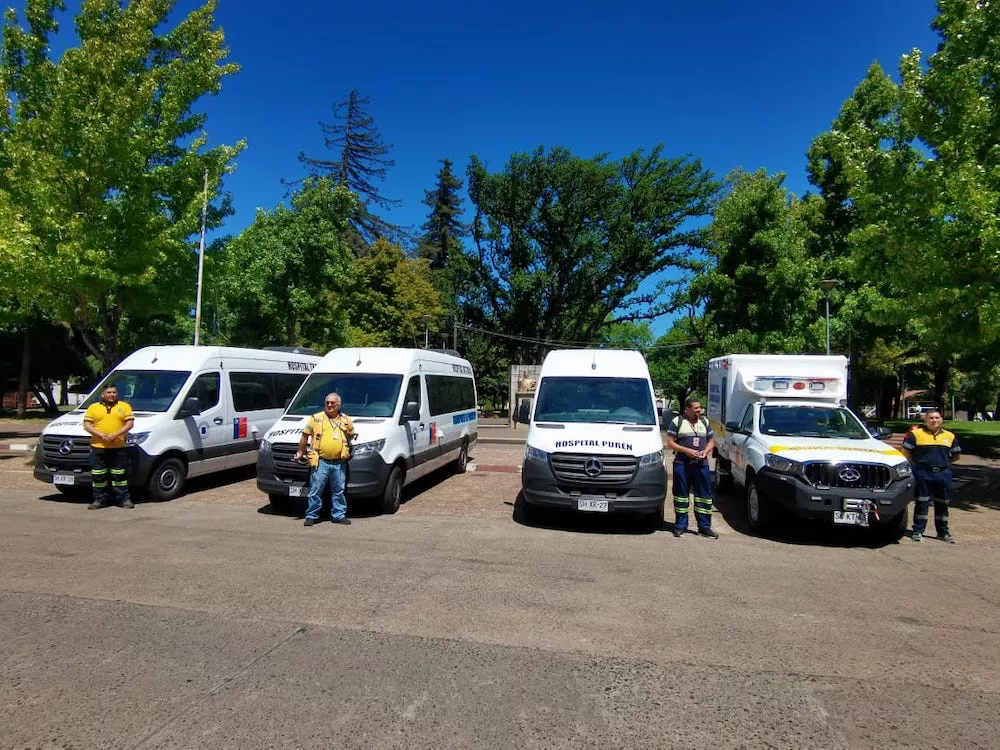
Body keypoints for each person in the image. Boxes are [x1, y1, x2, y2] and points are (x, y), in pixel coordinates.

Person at [294, 392, 356, 527]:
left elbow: (351, 436)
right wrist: (301, 452)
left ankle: (339, 515)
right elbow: (304, 436)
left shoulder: (346, 420)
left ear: (339, 405)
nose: (329, 405)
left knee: (339, 490)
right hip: (320, 461)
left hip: (339, 462)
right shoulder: (316, 418)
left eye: (332, 403)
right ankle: (311, 516)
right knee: (315, 490)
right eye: (327, 403)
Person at [901, 408, 960, 543]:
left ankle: (943, 532)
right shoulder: (916, 434)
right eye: (931, 418)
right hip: (923, 473)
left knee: (942, 504)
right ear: (925, 420)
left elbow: (956, 455)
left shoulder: (950, 436)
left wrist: (945, 464)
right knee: (922, 502)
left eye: (937, 418)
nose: (934, 420)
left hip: (943, 474)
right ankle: (918, 531)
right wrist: (915, 464)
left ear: (941, 420)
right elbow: (905, 451)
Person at [666, 398, 718, 538]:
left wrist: (705, 451)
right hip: (682, 463)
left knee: (704, 496)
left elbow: (711, 442)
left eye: (700, 408)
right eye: (696, 408)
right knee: (681, 495)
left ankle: (704, 527)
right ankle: (680, 526)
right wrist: (686, 450)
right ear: (687, 409)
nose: (699, 410)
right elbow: (670, 442)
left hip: (701, 464)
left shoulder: (704, 422)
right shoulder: (677, 421)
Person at [83, 384, 135, 509]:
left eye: (114, 392)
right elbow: (87, 425)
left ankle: (123, 499)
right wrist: (101, 435)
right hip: (98, 447)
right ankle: (99, 500)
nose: (112, 394)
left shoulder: (124, 406)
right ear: (103, 394)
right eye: (109, 392)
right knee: (98, 476)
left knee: (120, 476)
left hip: (118, 447)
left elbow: (130, 424)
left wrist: (115, 435)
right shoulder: (93, 407)